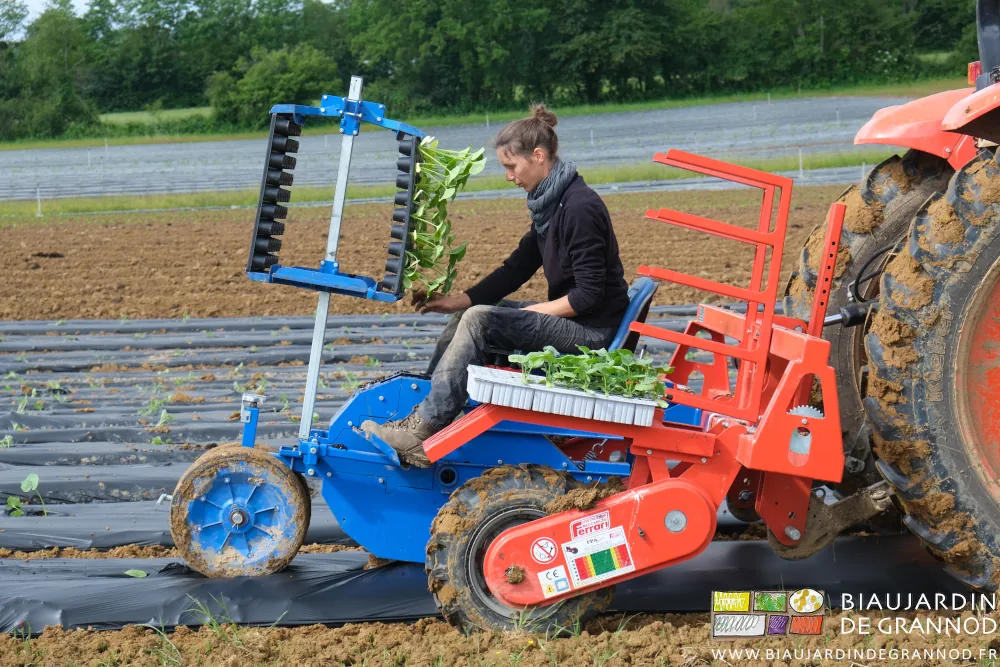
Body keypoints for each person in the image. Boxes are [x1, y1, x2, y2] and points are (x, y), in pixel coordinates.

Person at [361, 104, 629, 467]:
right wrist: (458, 301)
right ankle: (423, 410)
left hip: (592, 331)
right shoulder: (553, 205)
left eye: (511, 166)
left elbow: (587, 296)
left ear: (538, 157)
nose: (508, 177)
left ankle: (424, 429)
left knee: (481, 321)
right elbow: (515, 269)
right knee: (469, 317)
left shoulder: (578, 208)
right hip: (577, 320)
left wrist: (534, 313)